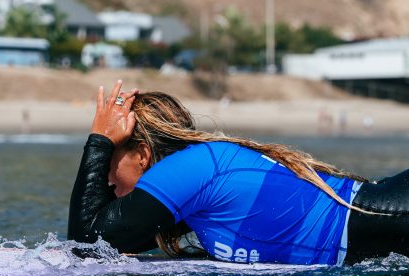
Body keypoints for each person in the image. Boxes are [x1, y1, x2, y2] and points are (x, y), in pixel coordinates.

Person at [68, 81, 409, 265]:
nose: (108, 178)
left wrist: (98, 141)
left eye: (112, 161)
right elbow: (114, 241)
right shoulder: (192, 187)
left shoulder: (188, 169)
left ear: (142, 155)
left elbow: (88, 242)